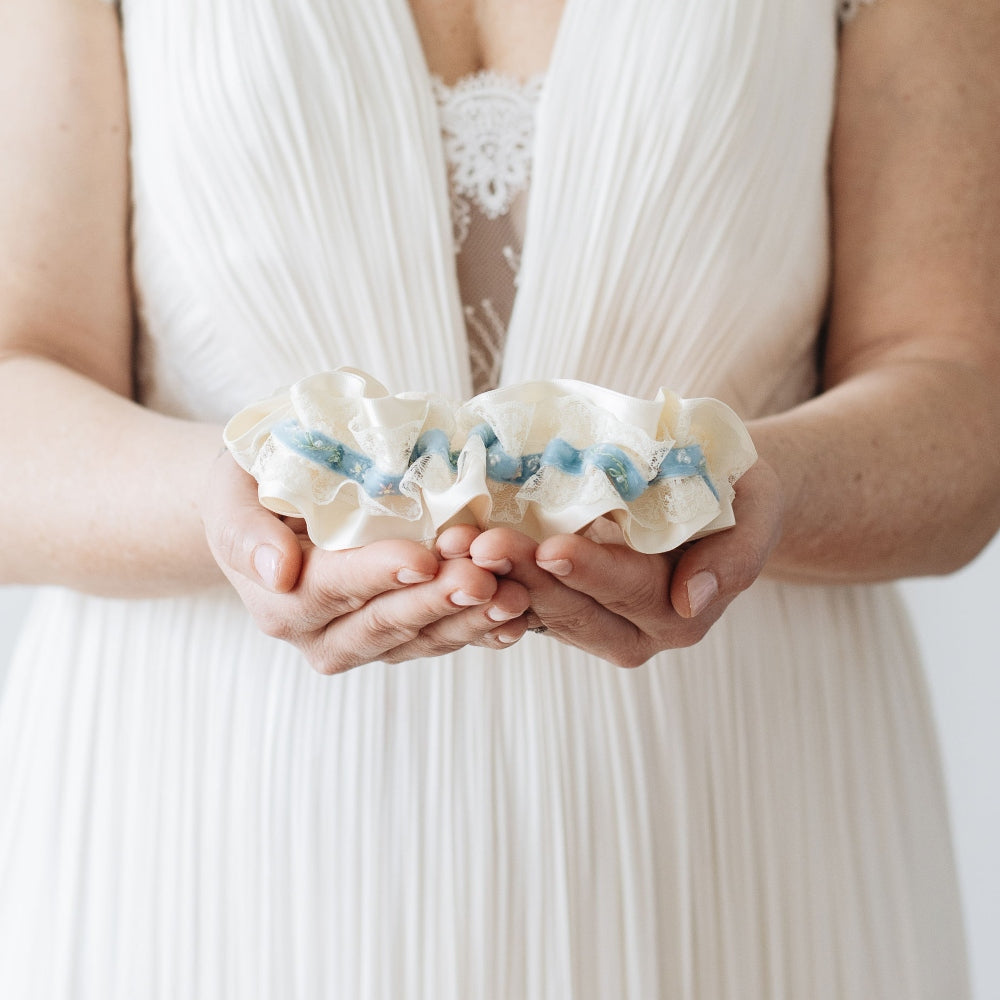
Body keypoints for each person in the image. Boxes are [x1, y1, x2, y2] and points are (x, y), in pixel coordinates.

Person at [0, 0, 996, 996]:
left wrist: (758, 486)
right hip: (207, 822)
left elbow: (957, 384)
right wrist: (216, 506)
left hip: (732, 813)